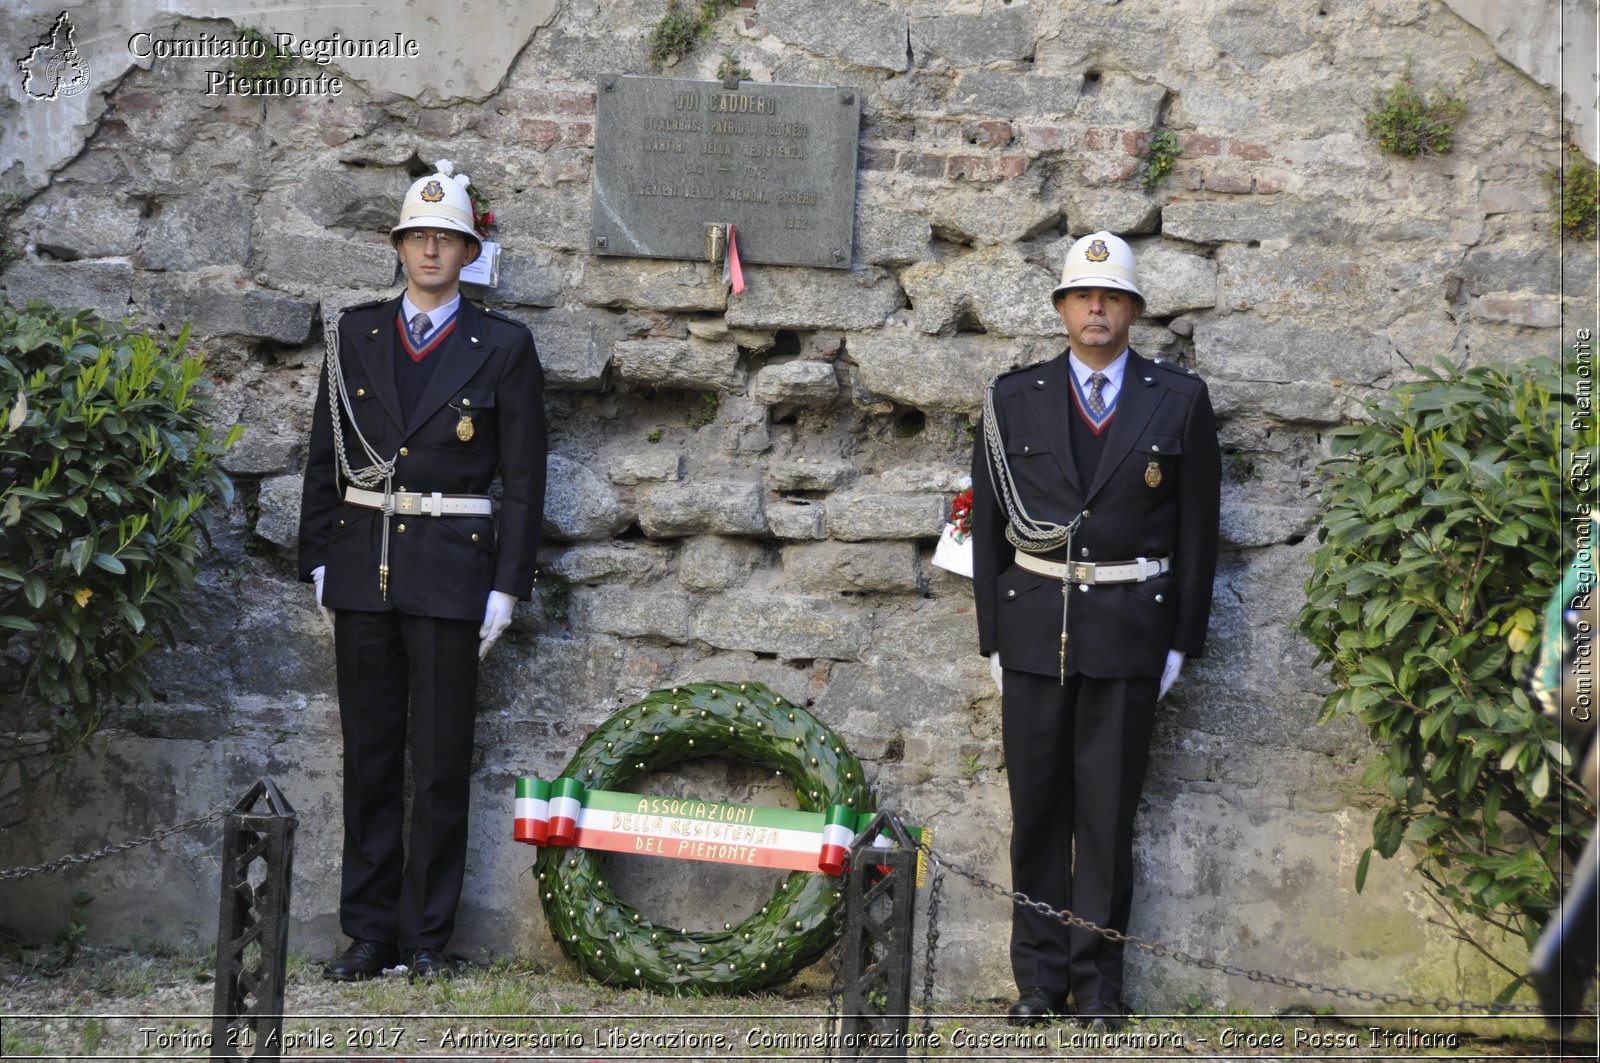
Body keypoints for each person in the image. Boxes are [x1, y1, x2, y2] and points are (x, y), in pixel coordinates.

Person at [298, 164, 547, 981]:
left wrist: (508, 587)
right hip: (365, 568)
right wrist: (316, 562)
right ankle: (369, 932)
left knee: (440, 765)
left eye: (448, 239)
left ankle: (428, 938)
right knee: (369, 758)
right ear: (397, 246)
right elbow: (323, 460)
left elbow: (524, 477)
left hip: (451, 573)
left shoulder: (503, 345)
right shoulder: (355, 333)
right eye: (419, 237)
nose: (432, 250)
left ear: (469, 251)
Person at [970, 231, 1220, 1029]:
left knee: (1108, 818)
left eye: (1112, 297)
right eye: (1083, 295)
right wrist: (991, 638)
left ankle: (1099, 988)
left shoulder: (1178, 399)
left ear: (1135, 310)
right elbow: (987, 529)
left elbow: (1197, 529)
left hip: (1127, 633)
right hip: (1037, 629)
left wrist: (1181, 640)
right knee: (1037, 811)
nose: (1097, 308)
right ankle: (1039, 983)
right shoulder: (1014, 398)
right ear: (1062, 309)